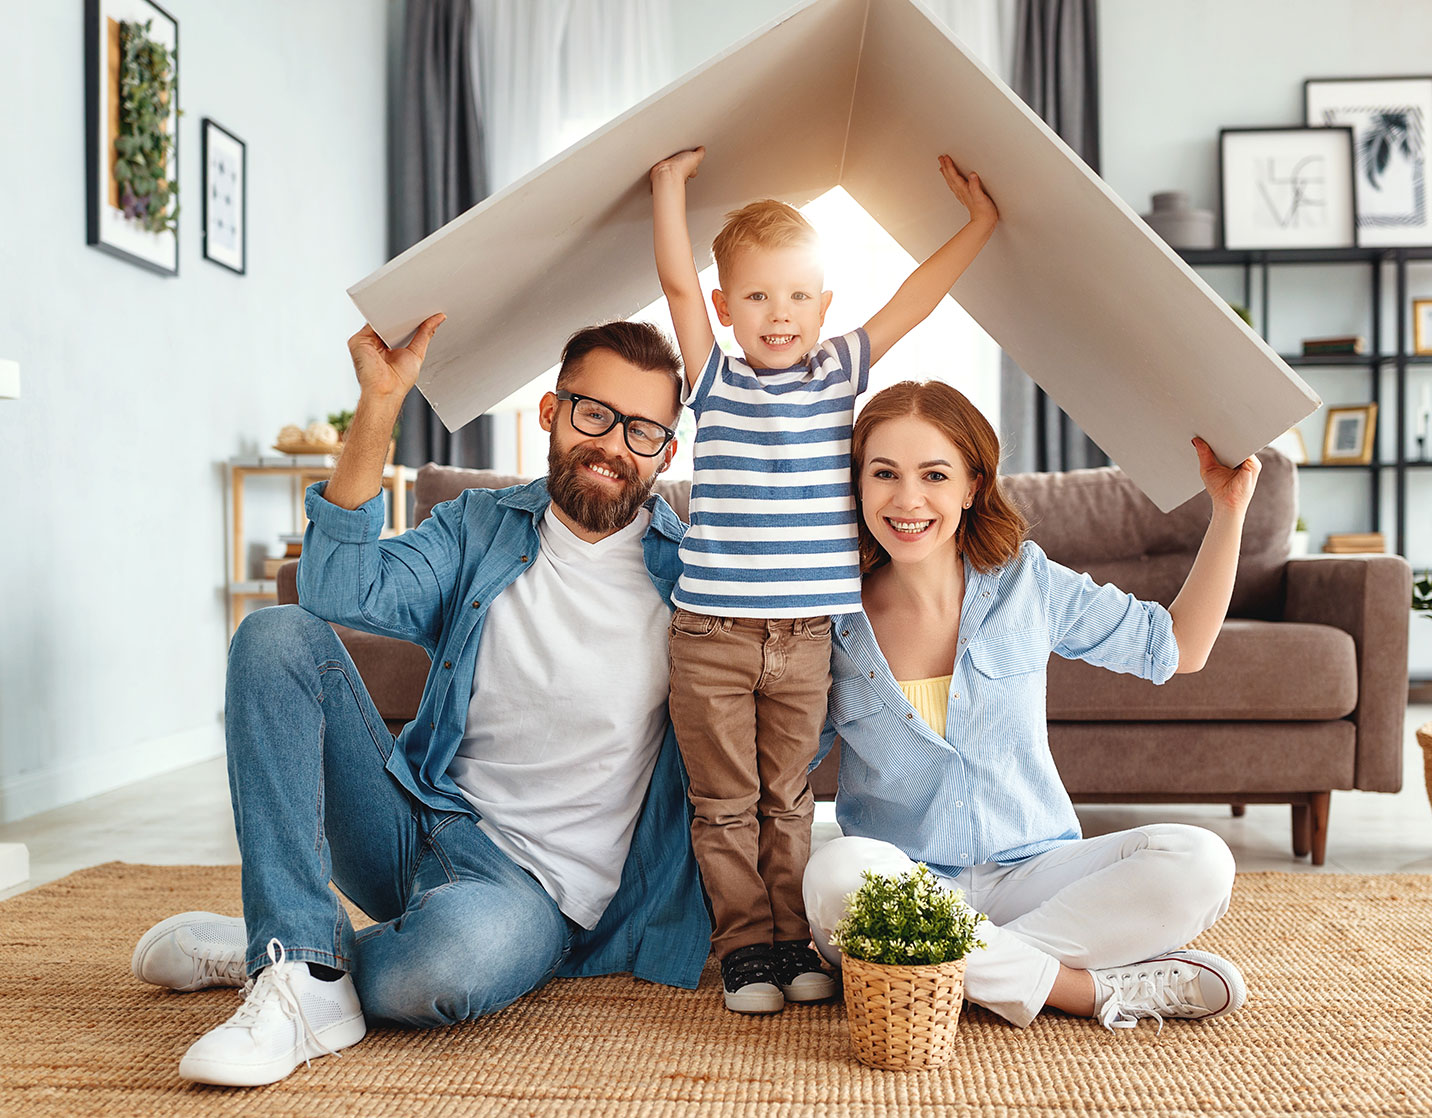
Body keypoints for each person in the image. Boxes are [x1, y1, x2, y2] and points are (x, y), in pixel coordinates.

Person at [130, 316, 711, 1086]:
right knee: (274, 637)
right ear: (552, 412)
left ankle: (285, 948)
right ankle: (301, 966)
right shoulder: (481, 527)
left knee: (436, 975)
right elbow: (336, 588)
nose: (613, 446)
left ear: (667, 451)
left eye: (643, 431)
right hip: (412, 824)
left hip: (531, 892)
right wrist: (380, 401)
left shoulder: (694, 573)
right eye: (594, 414)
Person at [648, 146, 998, 1014]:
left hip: (807, 638)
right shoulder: (713, 377)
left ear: (825, 305)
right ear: (729, 307)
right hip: (712, 638)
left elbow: (913, 302)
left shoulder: (841, 370)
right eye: (759, 296)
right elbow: (678, 289)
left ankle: (793, 941)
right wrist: (668, 191)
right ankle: (743, 953)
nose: (780, 314)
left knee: (790, 802)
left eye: (799, 295)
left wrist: (978, 224)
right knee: (725, 805)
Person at [803, 380, 1261, 1032]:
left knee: (1200, 860)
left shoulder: (1027, 582)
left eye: (934, 474)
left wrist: (1228, 510)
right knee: (836, 873)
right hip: (906, 885)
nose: (907, 499)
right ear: (858, 484)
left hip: (1037, 876)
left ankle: (944, 974)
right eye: (884, 474)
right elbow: (778, 772)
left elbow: (1179, 646)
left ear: (971, 486)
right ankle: (1086, 992)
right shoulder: (829, 620)